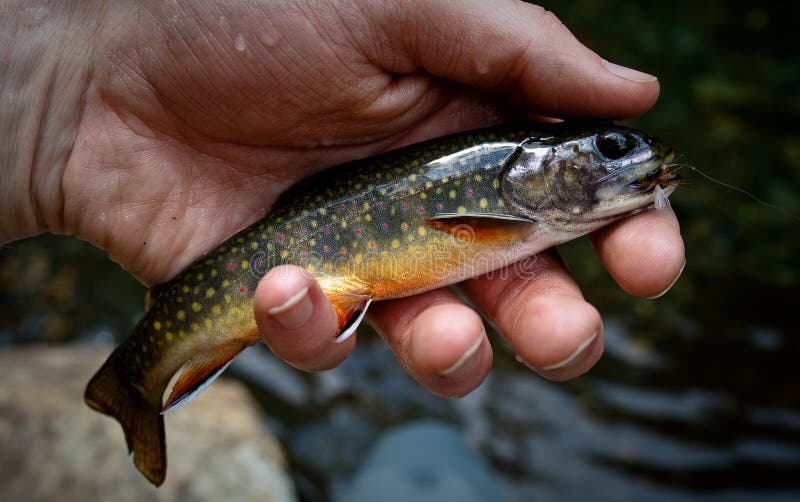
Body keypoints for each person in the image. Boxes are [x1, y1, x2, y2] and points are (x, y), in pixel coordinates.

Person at [1, 0, 684, 398]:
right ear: (533, 169)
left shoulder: (513, 203)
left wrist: (57, 90)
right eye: (610, 152)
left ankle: (134, 385)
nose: (631, 160)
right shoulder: (504, 207)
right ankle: (134, 384)